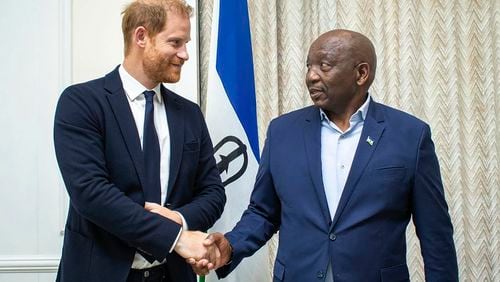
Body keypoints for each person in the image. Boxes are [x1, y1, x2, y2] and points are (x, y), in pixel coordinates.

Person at [193, 29, 459, 281]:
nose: (311, 76)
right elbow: (263, 212)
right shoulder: (282, 132)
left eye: (324, 66)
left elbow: (435, 234)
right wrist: (230, 245)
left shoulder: (410, 135)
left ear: (361, 73)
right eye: (309, 66)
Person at [53, 0, 225, 281]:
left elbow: (213, 192)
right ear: (141, 36)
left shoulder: (190, 114)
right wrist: (176, 238)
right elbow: (90, 193)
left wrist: (178, 220)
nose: (185, 54)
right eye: (175, 42)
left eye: (186, 43)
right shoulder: (81, 102)